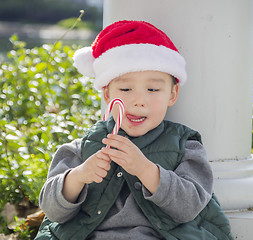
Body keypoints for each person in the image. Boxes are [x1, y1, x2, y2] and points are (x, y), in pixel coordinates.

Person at [35, 20, 233, 240]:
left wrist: (145, 169)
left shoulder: (186, 146)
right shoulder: (82, 148)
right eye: (126, 88)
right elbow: (52, 211)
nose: (139, 101)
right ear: (108, 94)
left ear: (172, 94)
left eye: (153, 89)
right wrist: (79, 176)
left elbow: (190, 207)